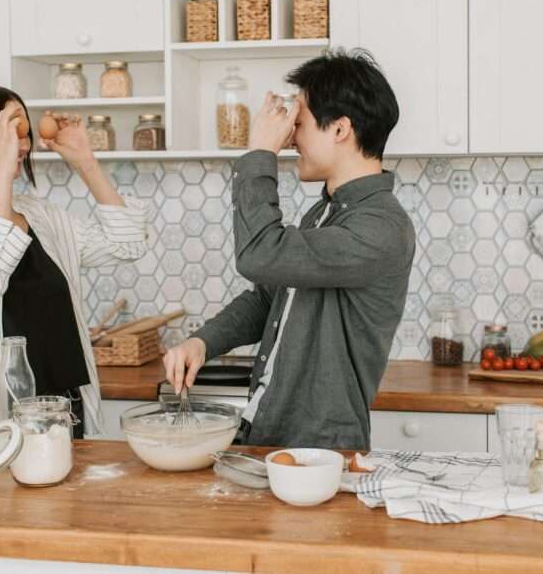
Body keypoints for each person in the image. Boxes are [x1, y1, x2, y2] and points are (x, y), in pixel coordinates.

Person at [163, 49, 415, 450]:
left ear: (340, 129)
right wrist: (203, 341)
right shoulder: (328, 210)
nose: (292, 136)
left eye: (300, 123)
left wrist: (260, 152)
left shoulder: (381, 227)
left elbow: (260, 255)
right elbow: (270, 294)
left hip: (319, 449)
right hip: (270, 430)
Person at [0, 83, 148, 436]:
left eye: (24, 132)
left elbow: (127, 244)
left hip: (62, 409)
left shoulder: (40, 214)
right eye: (12, 130)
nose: (23, 143)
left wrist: (86, 161)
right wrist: (2, 175)